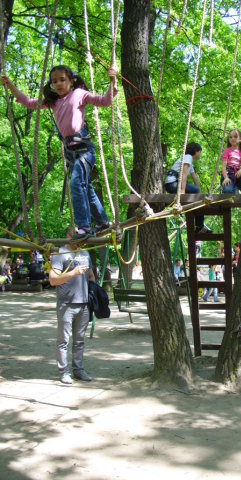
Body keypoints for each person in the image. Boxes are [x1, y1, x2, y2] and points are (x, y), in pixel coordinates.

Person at [1, 65, 118, 241]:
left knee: (76, 183)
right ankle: (101, 222)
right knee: (85, 188)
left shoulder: (79, 94)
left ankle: (85, 227)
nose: (58, 84)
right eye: (54, 81)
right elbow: (28, 102)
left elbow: (104, 100)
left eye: (62, 80)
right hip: (71, 152)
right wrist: (10, 86)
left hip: (84, 148)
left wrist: (113, 81)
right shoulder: (53, 102)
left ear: (71, 81)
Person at [49, 226, 95, 384]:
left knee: (79, 340)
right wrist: (72, 273)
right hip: (66, 304)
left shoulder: (85, 253)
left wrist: (92, 291)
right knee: (63, 341)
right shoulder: (60, 253)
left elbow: (90, 275)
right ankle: (64, 372)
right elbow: (53, 280)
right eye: (78, 236)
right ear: (69, 236)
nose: (82, 240)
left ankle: (79, 370)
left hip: (83, 304)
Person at [164, 142, 211, 234]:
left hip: (173, 184)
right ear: (196, 151)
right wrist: (182, 190)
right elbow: (183, 173)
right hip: (172, 184)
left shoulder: (190, 162)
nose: (200, 154)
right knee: (195, 191)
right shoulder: (188, 157)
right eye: (200, 152)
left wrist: (200, 194)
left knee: (196, 192)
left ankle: (199, 225)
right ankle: (199, 225)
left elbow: (194, 178)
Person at [221, 129, 241, 194]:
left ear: (240, 139)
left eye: (235, 137)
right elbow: (223, 167)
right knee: (227, 191)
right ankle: (231, 189)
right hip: (228, 175)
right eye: (230, 137)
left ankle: (238, 188)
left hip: (237, 175)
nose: (232, 138)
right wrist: (226, 178)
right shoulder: (227, 151)